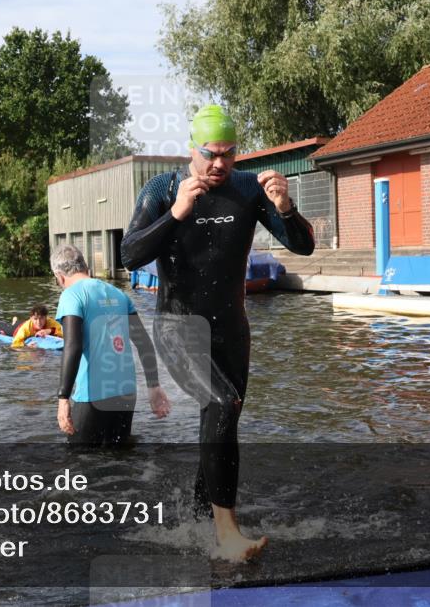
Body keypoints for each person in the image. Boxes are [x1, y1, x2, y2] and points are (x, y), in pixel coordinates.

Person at [121, 104, 315, 562]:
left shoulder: (248, 188)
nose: (220, 164)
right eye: (211, 154)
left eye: (229, 154)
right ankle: (228, 535)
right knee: (221, 404)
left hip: (231, 329)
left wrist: (285, 208)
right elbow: (128, 254)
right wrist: (175, 213)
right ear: (192, 149)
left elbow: (303, 246)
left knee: (221, 421)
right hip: (176, 326)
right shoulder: (163, 188)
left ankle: (197, 522)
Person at [51, 244, 170, 445]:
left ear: (60, 277)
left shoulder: (71, 295)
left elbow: (73, 346)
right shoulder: (118, 294)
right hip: (126, 393)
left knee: (82, 465)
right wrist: (154, 386)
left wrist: (63, 398)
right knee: (121, 460)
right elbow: (144, 343)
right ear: (85, 268)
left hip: (92, 395)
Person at [0, 304, 64, 348]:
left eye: (41, 318)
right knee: (8, 328)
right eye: (35, 319)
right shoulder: (26, 328)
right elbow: (15, 344)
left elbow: (64, 331)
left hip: (23, 322)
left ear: (46, 317)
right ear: (31, 318)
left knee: (17, 322)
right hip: (16, 329)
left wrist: (49, 330)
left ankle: (15, 320)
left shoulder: (50, 321)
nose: (39, 322)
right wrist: (26, 346)